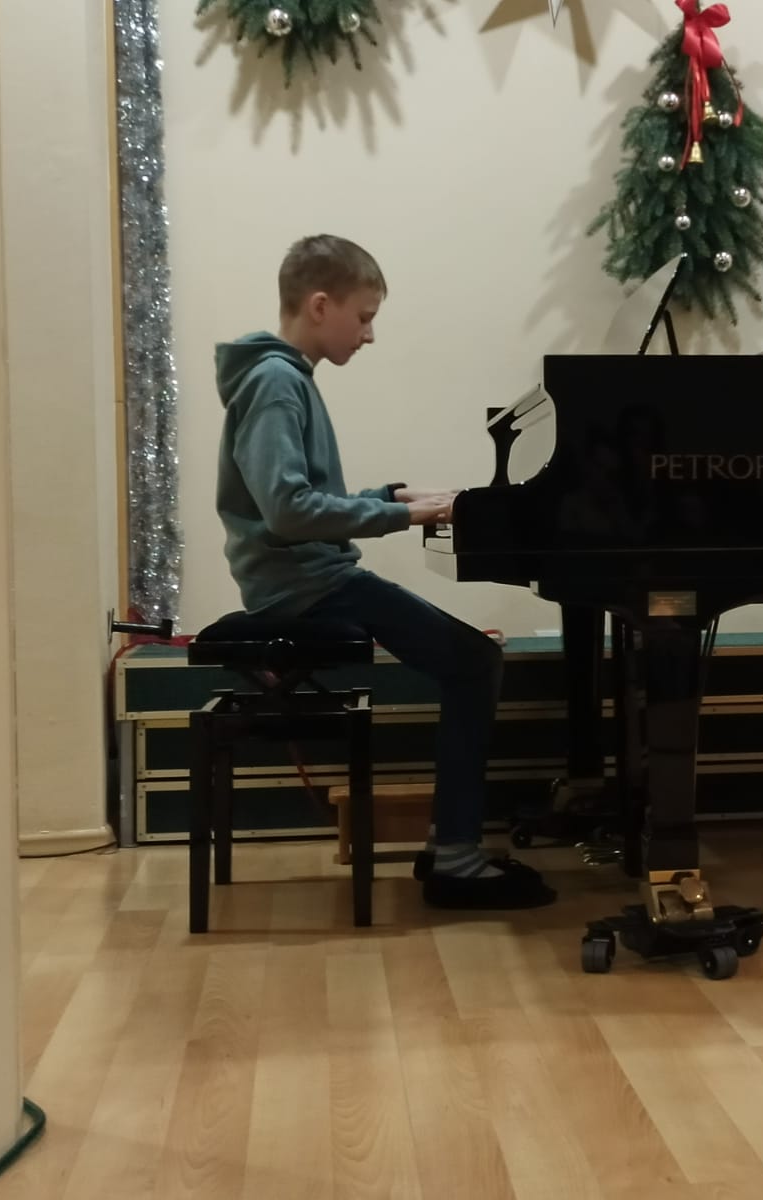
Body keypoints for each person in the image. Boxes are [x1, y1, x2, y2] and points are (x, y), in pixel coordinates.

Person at [212, 233, 554, 910]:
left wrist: (389, 495)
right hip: (306, 587)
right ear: (320, 305)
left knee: (470, 657)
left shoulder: (282, 378)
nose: (369, 334)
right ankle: (456, 858)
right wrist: (404, 515)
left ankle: (452, 845)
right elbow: (288, 511)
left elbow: (300, 501)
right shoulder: (277, 383)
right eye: (364, 317)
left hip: (309, 578)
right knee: (475, 662)